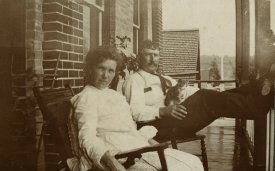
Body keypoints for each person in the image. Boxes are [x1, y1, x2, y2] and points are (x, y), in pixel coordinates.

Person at [66, 46, 204, 171]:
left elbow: (131, 128)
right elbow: (87, 138)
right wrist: (113, 163)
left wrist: (153, 145)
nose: (105, 76)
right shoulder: (87, 97)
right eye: (101, 68)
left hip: (135, 146)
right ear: (91, 69)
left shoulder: (114, 95)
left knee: (192, 161)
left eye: (110, 70)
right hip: (118, 153)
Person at [122, 40, 274, 141]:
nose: (152, 59)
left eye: (156, 55)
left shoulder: (165, 78)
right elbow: (133, 112)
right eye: (148, 55)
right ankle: (256, 107)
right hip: (155, 129)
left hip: (175, 122)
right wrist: (162, 111)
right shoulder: (133, 80)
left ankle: (258, 85)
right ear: (139, 57)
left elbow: (188, 91)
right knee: (206, 98)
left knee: (214, 97)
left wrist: (215, 95)